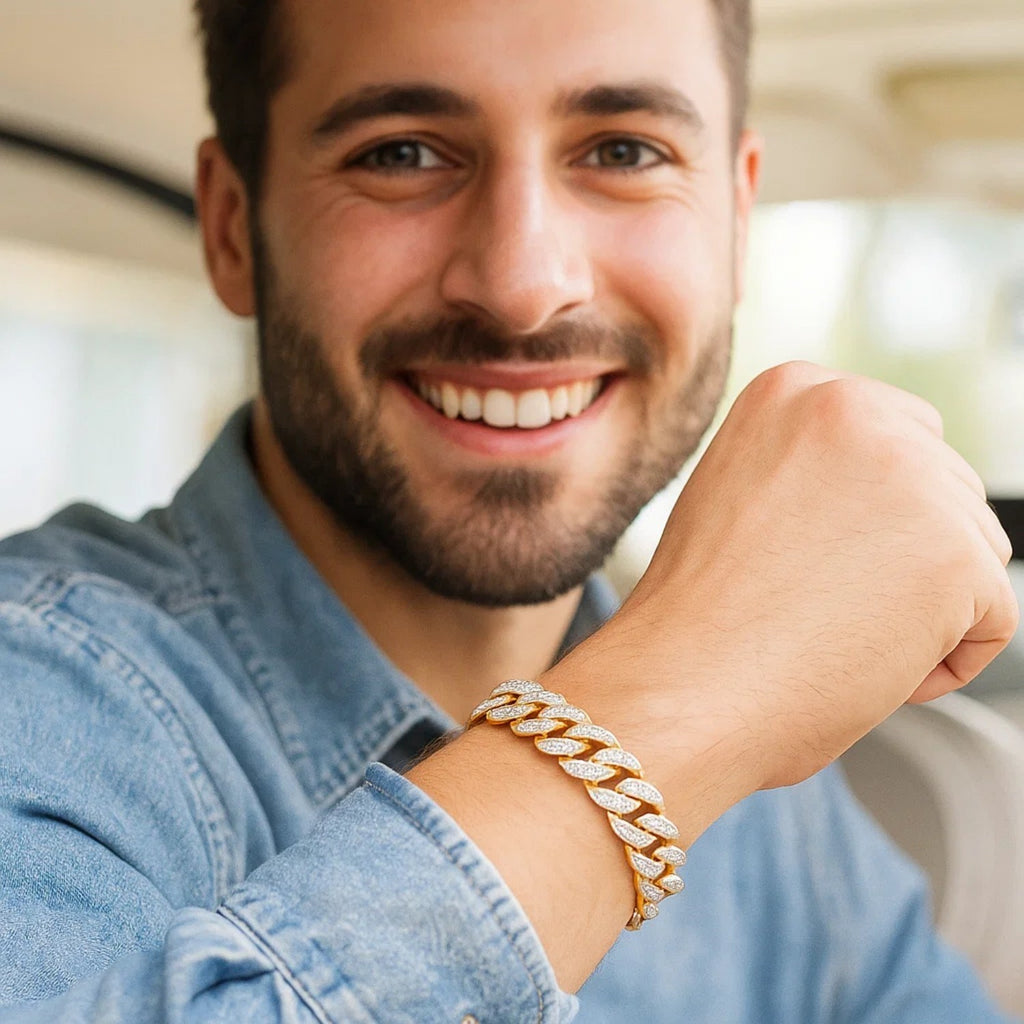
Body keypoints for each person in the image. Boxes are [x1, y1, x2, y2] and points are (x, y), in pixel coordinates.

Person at [0, 0, 1018, 1020]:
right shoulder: (36, 699)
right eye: (400, 153)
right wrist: (672, 708)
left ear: (736, 222)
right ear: (233, 229)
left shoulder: (784, 827)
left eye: (624, 150)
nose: (523, 284)